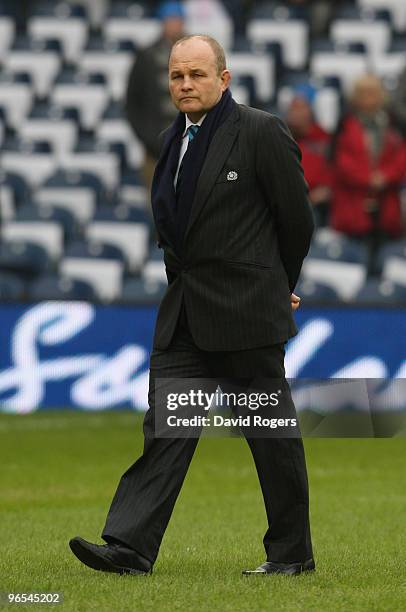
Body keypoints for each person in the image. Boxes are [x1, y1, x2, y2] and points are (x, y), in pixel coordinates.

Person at [69, 35, 315, 577]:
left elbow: (297, 220)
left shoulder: (260, 131)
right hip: (185, 313)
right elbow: (173, 234)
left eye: (198, 75)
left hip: (248, 313)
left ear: (223, 79)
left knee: (270, 438)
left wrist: (278, 283)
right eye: (178, 76)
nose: (186, 84)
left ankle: (292, 554)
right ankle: (130, 548)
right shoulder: (168, 140)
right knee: (165, 432)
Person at [330, 74, 406, 275]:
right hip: (354, 206)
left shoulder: (394, 125)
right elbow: (341, 161)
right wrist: (369, 179)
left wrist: (384, 177)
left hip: (387, 206)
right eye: (363, 93)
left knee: (386, 260)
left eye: (372, 93)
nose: (368, 98)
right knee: (355, 260)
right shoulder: (344, 124)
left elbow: (401, 157)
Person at [125, 1, 186, 196]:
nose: (174, 25)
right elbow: (132, 104)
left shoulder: (199, 54)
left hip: (192, 148)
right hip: (155, 151)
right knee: (157, 209)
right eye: (170, 20)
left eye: (177, 20)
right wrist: (150, 140)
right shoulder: (146, 57)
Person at [286, 85, 332, 227]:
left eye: (301, 108)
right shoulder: (278, 137)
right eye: (293, 108)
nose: (296, 113)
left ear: (312, 111)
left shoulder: (325, 139)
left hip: (318, 207)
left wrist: (326, 190)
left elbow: (336, 172)